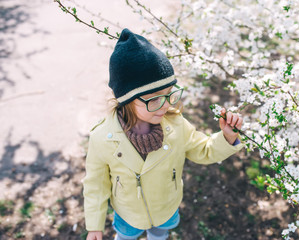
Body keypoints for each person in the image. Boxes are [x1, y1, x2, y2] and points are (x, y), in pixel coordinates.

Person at [83, 28, 244, 240]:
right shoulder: (102, 138)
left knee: (159, 234)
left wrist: (227, 137)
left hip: (166, 207)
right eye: (154, 99)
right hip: (128, 215)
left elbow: (204, 150)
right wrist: (94, 226)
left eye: (169, 95)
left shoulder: (176, 125)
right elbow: (96, 184)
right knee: (125, 237)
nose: (165, 105)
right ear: (127, 99)